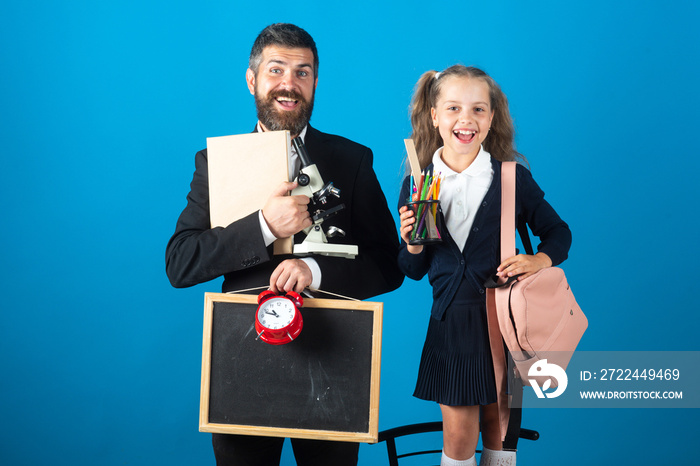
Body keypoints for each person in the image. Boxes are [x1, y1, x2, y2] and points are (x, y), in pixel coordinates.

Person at [166, 23, 403, 466]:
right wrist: (263, 226)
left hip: (333, 365)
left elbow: (390, 266)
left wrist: (316, 272)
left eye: (303, 72)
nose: (289, 84)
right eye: (276, 70)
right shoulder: (216, 163)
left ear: (315, 82)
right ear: (252, 79)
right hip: (243, 364)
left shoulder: (352, 160)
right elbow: (180, 263)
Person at [397, 65, 572, 466]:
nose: (466, 119)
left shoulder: (511, 178)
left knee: (501, 436)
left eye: (478, 109)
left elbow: (559, 233)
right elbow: (412, 268)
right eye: (454, 108)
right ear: (434, 116)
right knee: (458, 442)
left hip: (506, 323)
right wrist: (411, 243)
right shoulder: (418, 183)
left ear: (491, 119)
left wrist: (538, 260)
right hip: (452, 324)